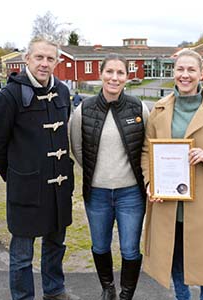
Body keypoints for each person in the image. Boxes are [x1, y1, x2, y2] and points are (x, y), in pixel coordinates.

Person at [140, 50, 203, 300]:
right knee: (174, 259)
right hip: (169, 203)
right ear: (173, 72)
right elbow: (147, 151)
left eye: (191, 70)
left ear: (201, 73)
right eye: (180, 70)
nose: (185, 75)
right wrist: (150, 181)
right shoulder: (159, 109)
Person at [0, 36, 79, 300]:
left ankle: (54, 290)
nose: (44, 63)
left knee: (55, 244)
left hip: (58, 186)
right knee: (22, 254)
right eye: (39, 57)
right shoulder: (9, 96)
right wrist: (16, 175)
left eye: (50, 58)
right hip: (26, 189)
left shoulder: (61, 91)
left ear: (57, 61)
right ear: (27, 59)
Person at [70, 53, 150, 300]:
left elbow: (147, 147)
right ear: (101, 74)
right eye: (110, 72)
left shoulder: (139, 108)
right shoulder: (84, 109)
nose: (114, 78)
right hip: (98, 194)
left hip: (130, 195)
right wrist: (100, 173)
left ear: (127, 77)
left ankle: (127, 294)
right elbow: (77, 148)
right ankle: (108, 288)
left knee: (129, 249)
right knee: (100, 246)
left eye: (120, 73)